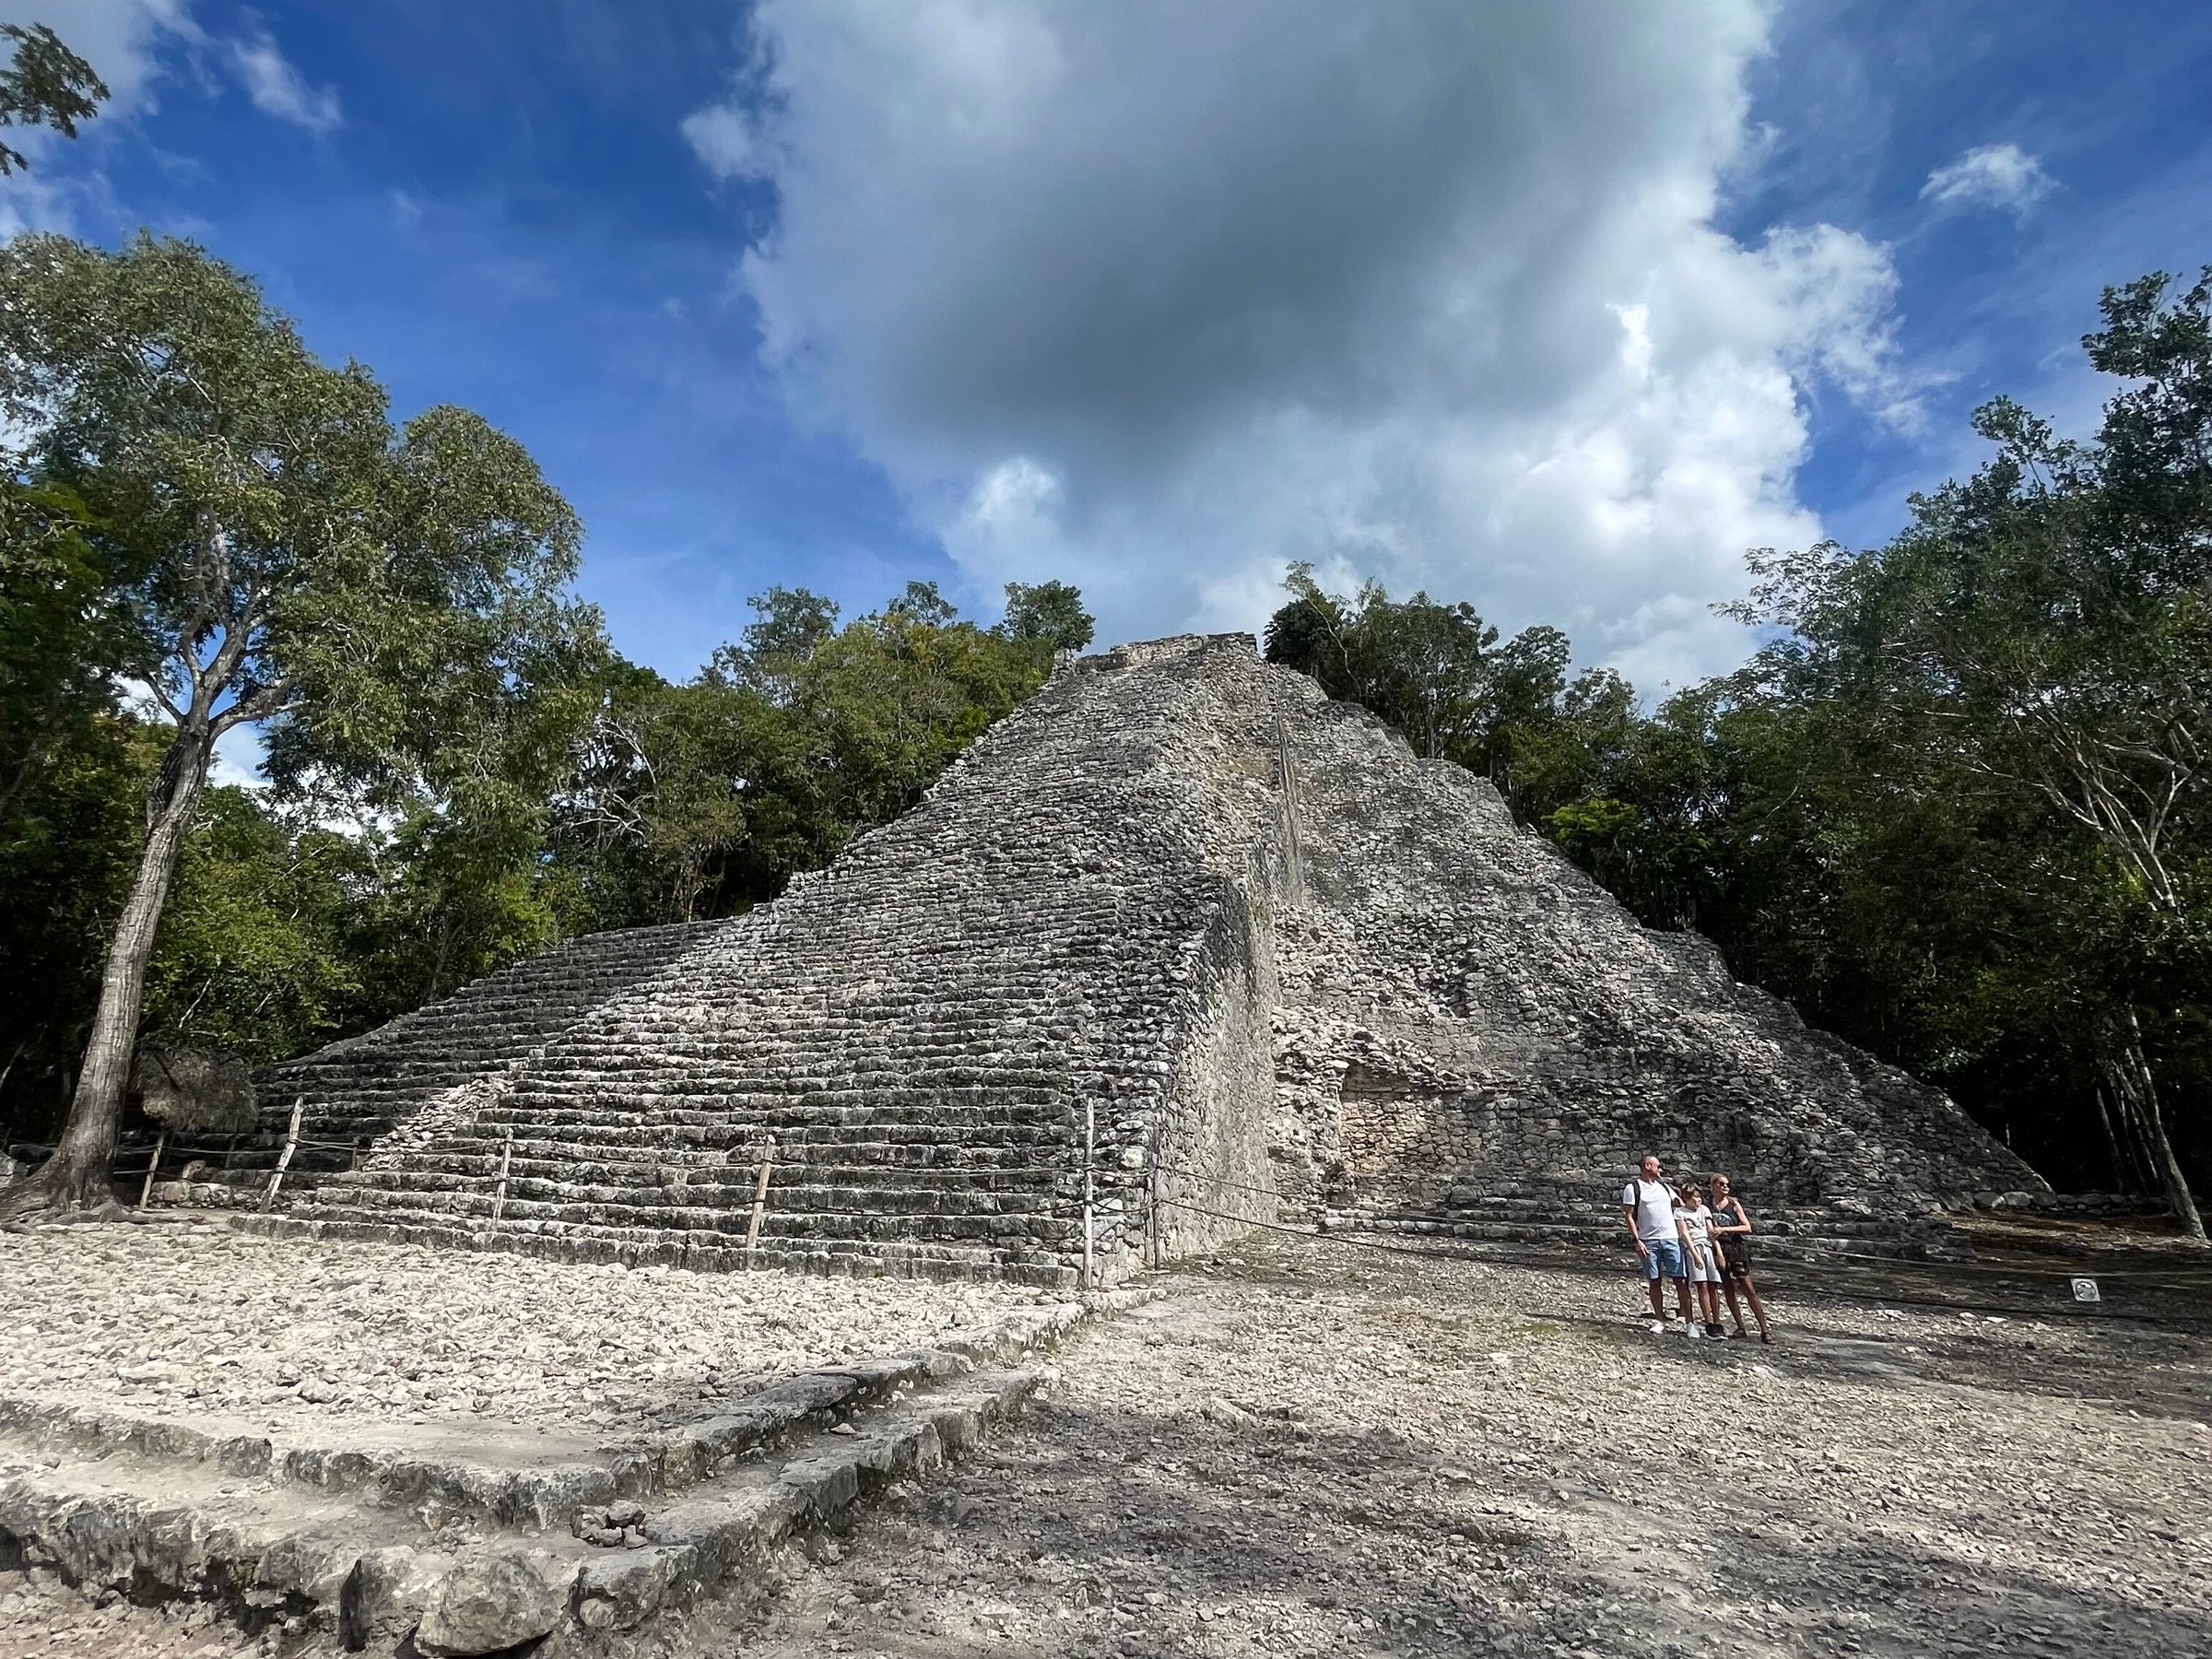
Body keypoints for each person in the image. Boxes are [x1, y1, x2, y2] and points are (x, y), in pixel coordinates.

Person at [1619, 1153, 1696, 1335]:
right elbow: (1628, 1215)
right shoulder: (1633, 1188)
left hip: (1671, 1239)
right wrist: (1637, 1240)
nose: (1660, 1169)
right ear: (1648, 1166)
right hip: (1649, 1240)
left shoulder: (1664, 1187)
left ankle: (1690, 1322)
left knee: (1681, 1281)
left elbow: (1680, 1203)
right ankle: (1659, 1319)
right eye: (1658, 1166)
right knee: (1654, 1281)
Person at [1706, 1173, 1773, 1344]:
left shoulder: (1734, 1204)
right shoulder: (1708, 1207)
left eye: (1727, 1184)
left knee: (1748, 1288)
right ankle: (1740, 1326)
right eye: (1721, 1184)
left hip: (1735, 1248)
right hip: (1719, 1249)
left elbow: (1747, 1226)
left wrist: (1724, 1230)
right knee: (1728, 1288)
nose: (1725, 1187)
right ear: (1713, 1185)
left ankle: (1764, 1329)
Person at [1674, 1181, 1724, 1338]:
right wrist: (1694, 1254)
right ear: (1687, 1199)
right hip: (1693, 1247)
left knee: (1713, 1285)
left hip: (1707, 1247)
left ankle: (1717, 1321)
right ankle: (1708, 1322)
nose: (1698, 1200)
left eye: (1699, 1197)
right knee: (1701, 1284)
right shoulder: (1680, 1213)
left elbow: (1711, 1231)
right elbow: (1684, 1234)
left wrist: (1719, 1252)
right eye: (1694, 1198)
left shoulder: (1704, 1210)